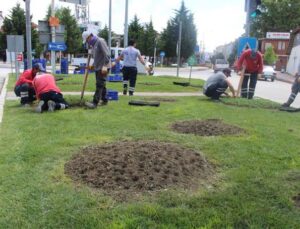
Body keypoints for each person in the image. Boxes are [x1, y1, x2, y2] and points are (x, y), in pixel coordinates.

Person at [82, 31, 110, 109]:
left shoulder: (100, 41)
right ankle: (104, 100)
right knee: (102, 84)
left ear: (90, 36)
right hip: (98, 67)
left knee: (99, 84)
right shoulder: (94, 45)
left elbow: (107, 55)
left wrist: (105, 67)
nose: (87, 42)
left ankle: (95, 102)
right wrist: (93, 65)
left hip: (103, 67)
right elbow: (97, 58)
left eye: (87, 40)